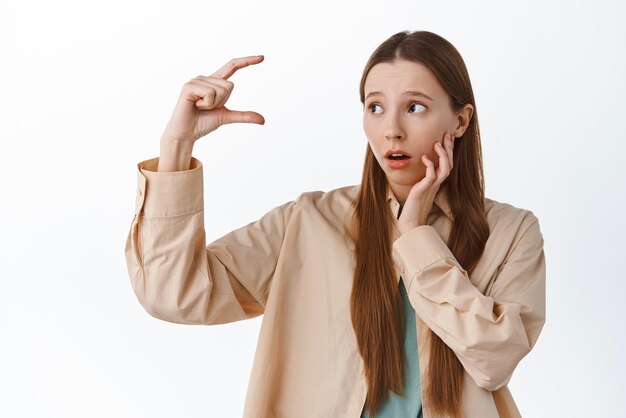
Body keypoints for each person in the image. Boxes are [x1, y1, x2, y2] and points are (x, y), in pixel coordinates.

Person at [124, 30, 546, 418]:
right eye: (375, 107)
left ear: (460, 119)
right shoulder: (307, 223)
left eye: (414, 107)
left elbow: (494, 359)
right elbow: (173, 293)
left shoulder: (511, 232)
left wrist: (417, 238)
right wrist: (177, 146)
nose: (392, 130)